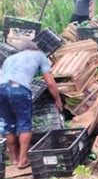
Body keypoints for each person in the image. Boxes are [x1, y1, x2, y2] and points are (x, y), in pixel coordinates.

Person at [0, 41, 62, 169]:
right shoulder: (39, 55)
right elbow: (50, 82)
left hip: (1, 88)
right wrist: (58, 99)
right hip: (19, 89)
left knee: (7, 125)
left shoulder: (9, 58)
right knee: (24, 124)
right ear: (34, 49)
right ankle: (23, 160)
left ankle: (14, 159)